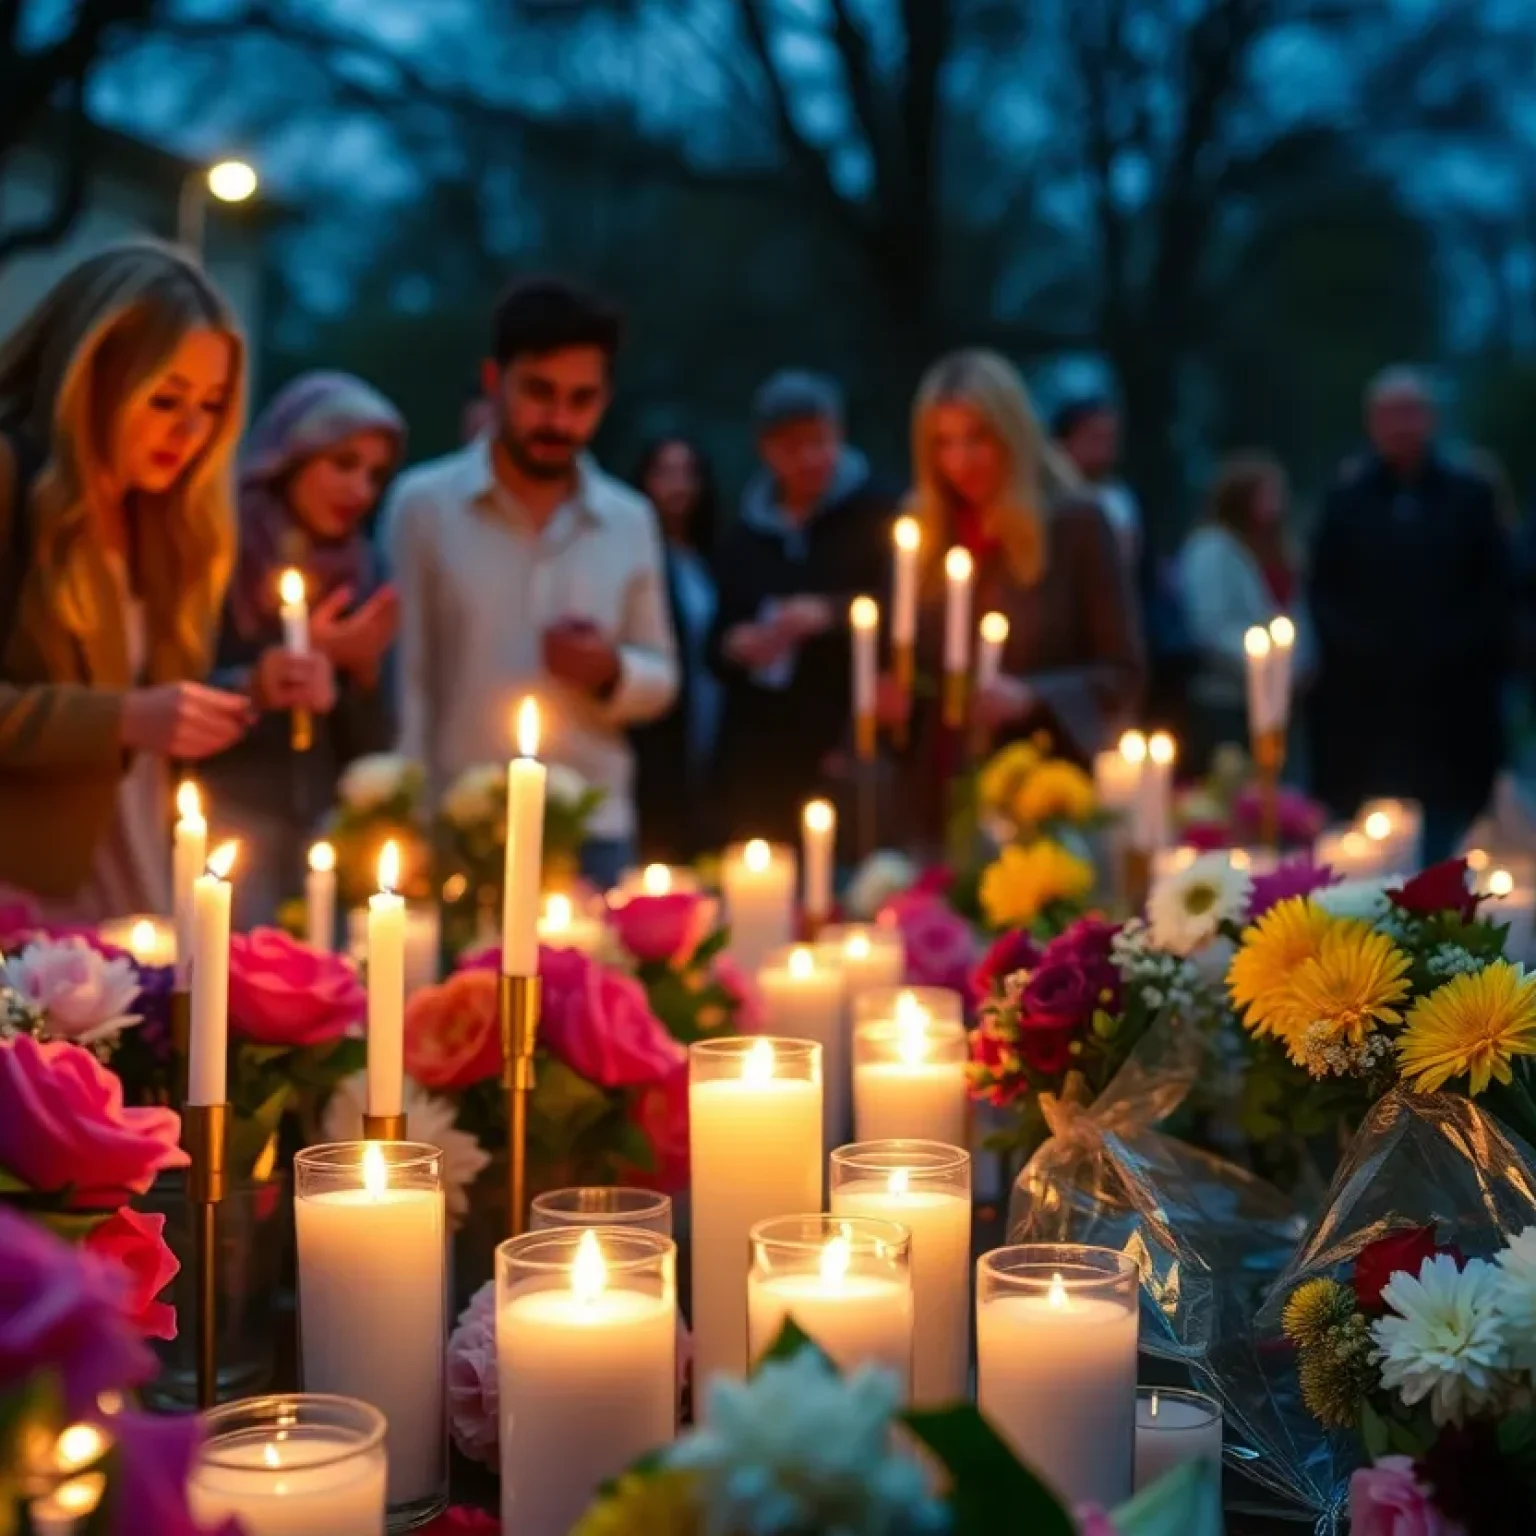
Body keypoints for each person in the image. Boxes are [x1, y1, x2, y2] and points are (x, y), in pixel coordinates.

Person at [0, 243, 329, 916]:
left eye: (211, 405)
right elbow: (126, 715)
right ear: (90, 375)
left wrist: (248, 691)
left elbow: (145, 710)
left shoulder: (162, 518)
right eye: (165, 398)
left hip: (137, 880)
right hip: (28, 898)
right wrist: (128, 718)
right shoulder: (11, 480)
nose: (190, 431)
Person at [384, 277, 677, 888]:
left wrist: (609, 671)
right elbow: (407, 679)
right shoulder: (425, 506)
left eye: (582, 399)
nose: (559, 419)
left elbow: (662, 675)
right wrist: (408, 818)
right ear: (495, 383)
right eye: (539, 393)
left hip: (590, 827)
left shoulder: (628, 519)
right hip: (458, 827)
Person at [892, 351, 1143, 827]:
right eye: (943, 443)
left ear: (1013, 433)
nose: (960, 461)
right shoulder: (922, 536)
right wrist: (894, 693)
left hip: (1042, 798)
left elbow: (1124, 671)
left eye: (977, 438)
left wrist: (1031, 696)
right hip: (935, 796)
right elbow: (907, 661)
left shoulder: (1077, 525)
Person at [204, 372, 404, 925]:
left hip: (318, 834)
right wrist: (266, 679)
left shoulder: (366, 570)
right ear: (291, 455)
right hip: (225, 830)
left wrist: (359, 674)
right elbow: (168, 698)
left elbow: (373, 751)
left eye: (376, 475)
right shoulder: (217, 550)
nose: (361, 489)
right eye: (343, 464)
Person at [1308, 367, 1510, 860]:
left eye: (1410, 413)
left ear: (1431, 419)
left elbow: (1495, 590)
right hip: (1365, 708)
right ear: (1371, 422)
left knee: (1445, 850)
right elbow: (1324, 591)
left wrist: (1452, 648)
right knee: (1364, 856)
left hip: (1450, 706)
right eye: (1388, 415)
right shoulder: (1345, 503)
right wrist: (1366, 649)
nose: (1401, 426)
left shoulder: (1470, 499)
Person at [710, 369, 897, 843]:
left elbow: (910, 611)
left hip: (850, 746)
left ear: (840, 434)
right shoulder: (744, 534)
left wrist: (830, 613)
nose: (810, 459)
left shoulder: (878, 513)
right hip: (764, 754)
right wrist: (735, 644)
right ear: (765, 449)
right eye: (792, 447)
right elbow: (715, 635)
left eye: (820, 441)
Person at [1179, 452, 1303, 772]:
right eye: (1268, 492)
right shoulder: (1211, 549)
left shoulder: (1280, 550)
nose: (1279, 501)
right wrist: (1270, 666)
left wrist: (1299, 664)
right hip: (1228, 700)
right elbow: (1209, 626)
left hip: (1284, 701)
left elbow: (1295, 613)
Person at [629, 436, 721, 861]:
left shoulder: (711, 557)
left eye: (687, 474)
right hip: (660, 728)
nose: (677, 486)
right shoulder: (634, 556)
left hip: (710, 714)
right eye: (665, 473)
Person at [1051, 395, 1141, 569]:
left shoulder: (1120, 500)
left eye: (1111, 439)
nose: (1106, 450)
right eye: (1096, 438)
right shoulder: (1047, 497)